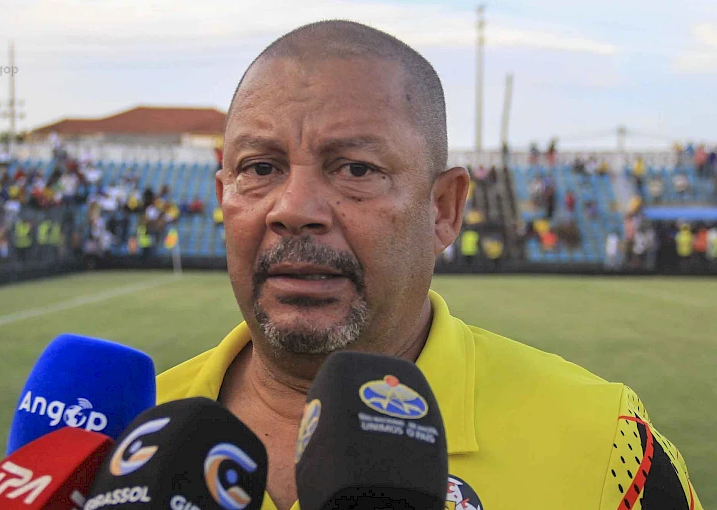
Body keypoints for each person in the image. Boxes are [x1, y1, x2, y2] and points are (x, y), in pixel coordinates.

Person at [155, 21, 702, 510]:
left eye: (356, 168)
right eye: (261, 167)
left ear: (444, 208)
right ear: (225, 196)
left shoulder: (603, 444)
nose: (294, 209)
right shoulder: (126, 436)